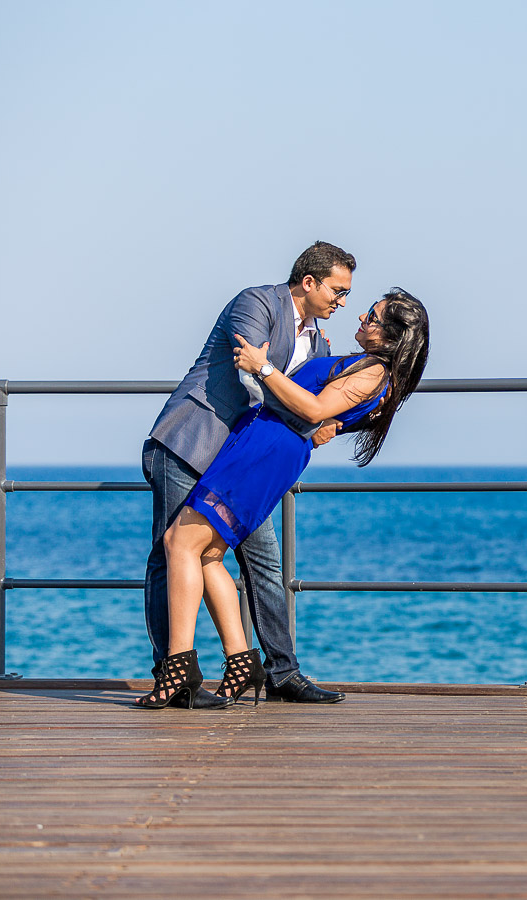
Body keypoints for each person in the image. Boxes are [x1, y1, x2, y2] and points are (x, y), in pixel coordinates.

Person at [135, 290, 430, 709]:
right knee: (207, 556)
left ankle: (178, 667)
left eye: (375, 316)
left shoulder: (374, 374)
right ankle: (241, 661)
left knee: (178, 544)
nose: (362, 315)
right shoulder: (367, 368)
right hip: (263, 447)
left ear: (392, 336)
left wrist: (263, 367)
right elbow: (320, 418)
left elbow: (313, 410)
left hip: (264, 452)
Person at [142, 241, 355, 706]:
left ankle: (280, 672)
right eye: (338, 291)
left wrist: (315, 417)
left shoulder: (319, 343)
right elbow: (252, 376)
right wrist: (309, 413)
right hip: (190, 443)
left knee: (263, 561)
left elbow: (293, 394)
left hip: (241, 465)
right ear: (309, 282)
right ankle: (173, 677)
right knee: (171, 555)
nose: (342, 302)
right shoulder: (256, 302)